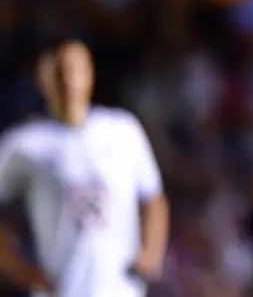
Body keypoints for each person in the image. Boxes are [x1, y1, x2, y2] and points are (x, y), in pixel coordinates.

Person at [0, 39, 169, 297]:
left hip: (120, 289)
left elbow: (154, 199)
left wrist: (150, 256)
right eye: (59, 71)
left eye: (75, 69)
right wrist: (21, 271)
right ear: (42, 79)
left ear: (90, 74)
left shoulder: (122, 130)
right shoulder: (24, 143)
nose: (68, 80)